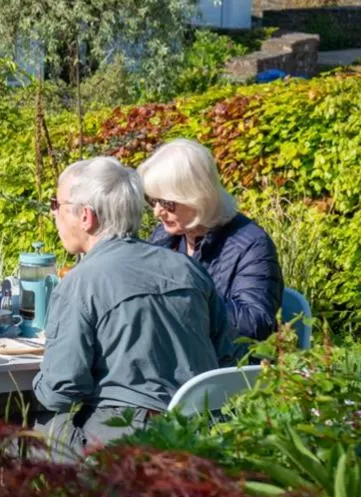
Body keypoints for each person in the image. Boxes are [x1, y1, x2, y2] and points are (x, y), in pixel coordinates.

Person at [33, 157, 230, 460]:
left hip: (129, 441)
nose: (53, 214)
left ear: (86, 217)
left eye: (56, 204)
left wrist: (36, 380)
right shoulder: (188, 269)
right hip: (201, 433)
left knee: (37, 425)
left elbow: (60, 391)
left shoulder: (80, 282)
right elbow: (225, 351)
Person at [139, 139, 283, 350]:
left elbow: (257, 324)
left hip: (228, 368)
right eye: (153, 200)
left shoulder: (251, 245)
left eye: (167, 203)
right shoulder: (166, 235)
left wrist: (189, 298)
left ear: (196, 196)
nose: (157, 211)